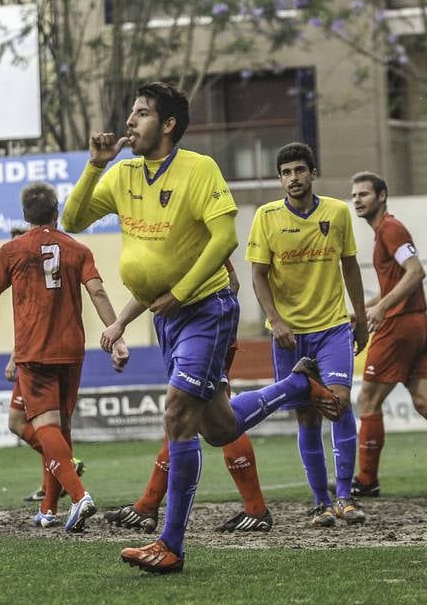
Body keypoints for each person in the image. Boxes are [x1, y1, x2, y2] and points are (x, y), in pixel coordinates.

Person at [62, 81, 340, 575]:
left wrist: (181, 292)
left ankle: (171, 544)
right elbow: (73, 218)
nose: (129, 122)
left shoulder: (199, 168)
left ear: (168, 124)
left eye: (141, 113)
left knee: (177, 413)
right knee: (220, 428)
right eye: (132, 113)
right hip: (167, 318)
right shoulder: (122, 173)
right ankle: (298, 385)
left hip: (207, 309)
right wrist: (95, 165)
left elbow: (224, 239)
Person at [0, 182, 125, 532]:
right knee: (61, 429)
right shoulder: (78, 249)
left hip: (34, 352)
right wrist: (117, 336)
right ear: (56, 212)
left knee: (45, 429)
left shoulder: (11, 250)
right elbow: (98, 292)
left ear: (25, 215)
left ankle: (79, 496)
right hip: (71, 350)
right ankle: (48, 509)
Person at [245, 142, 369, 529]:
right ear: (280, 178)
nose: (293, 178)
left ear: (313, 173)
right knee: (307, 416)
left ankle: (345, 496)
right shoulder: (265, 216)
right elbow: (258, 275)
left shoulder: (337, 212)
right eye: (286, 172)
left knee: (339, 403)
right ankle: (321, 502)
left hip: (332, 327)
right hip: (289, 335)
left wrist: (361, 317)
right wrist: (275, 320)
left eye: (299, 170)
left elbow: (350, 266)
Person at [104, 259, 273, 534]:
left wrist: (214, 329)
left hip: (202, 335)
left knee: (206, 418)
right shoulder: (171, 242)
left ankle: (255, 509)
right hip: (189, 335)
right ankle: (148, 506)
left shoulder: (197, 240)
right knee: (184, 416)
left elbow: (232, 282)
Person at [350, 172, 427, 498]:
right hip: (419, 324)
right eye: (354, 195)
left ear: (382, 196)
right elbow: (396, 284)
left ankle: (366, 481)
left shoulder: (389, 228)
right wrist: (363, 311)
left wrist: (382, 309)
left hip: (399, 326)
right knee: (426, 402)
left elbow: (416, 271)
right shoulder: (386, 231)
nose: (357, 200)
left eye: (364, 194)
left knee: (368, 400)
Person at [3, 227, 86, 504]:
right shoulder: (35, 269)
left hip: (36, 359)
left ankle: (65, 470)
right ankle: (55, 485)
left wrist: (15, 357)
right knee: (42, 424)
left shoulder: (31, 269)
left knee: (30, 423)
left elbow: (37, 320)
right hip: (39, 353)